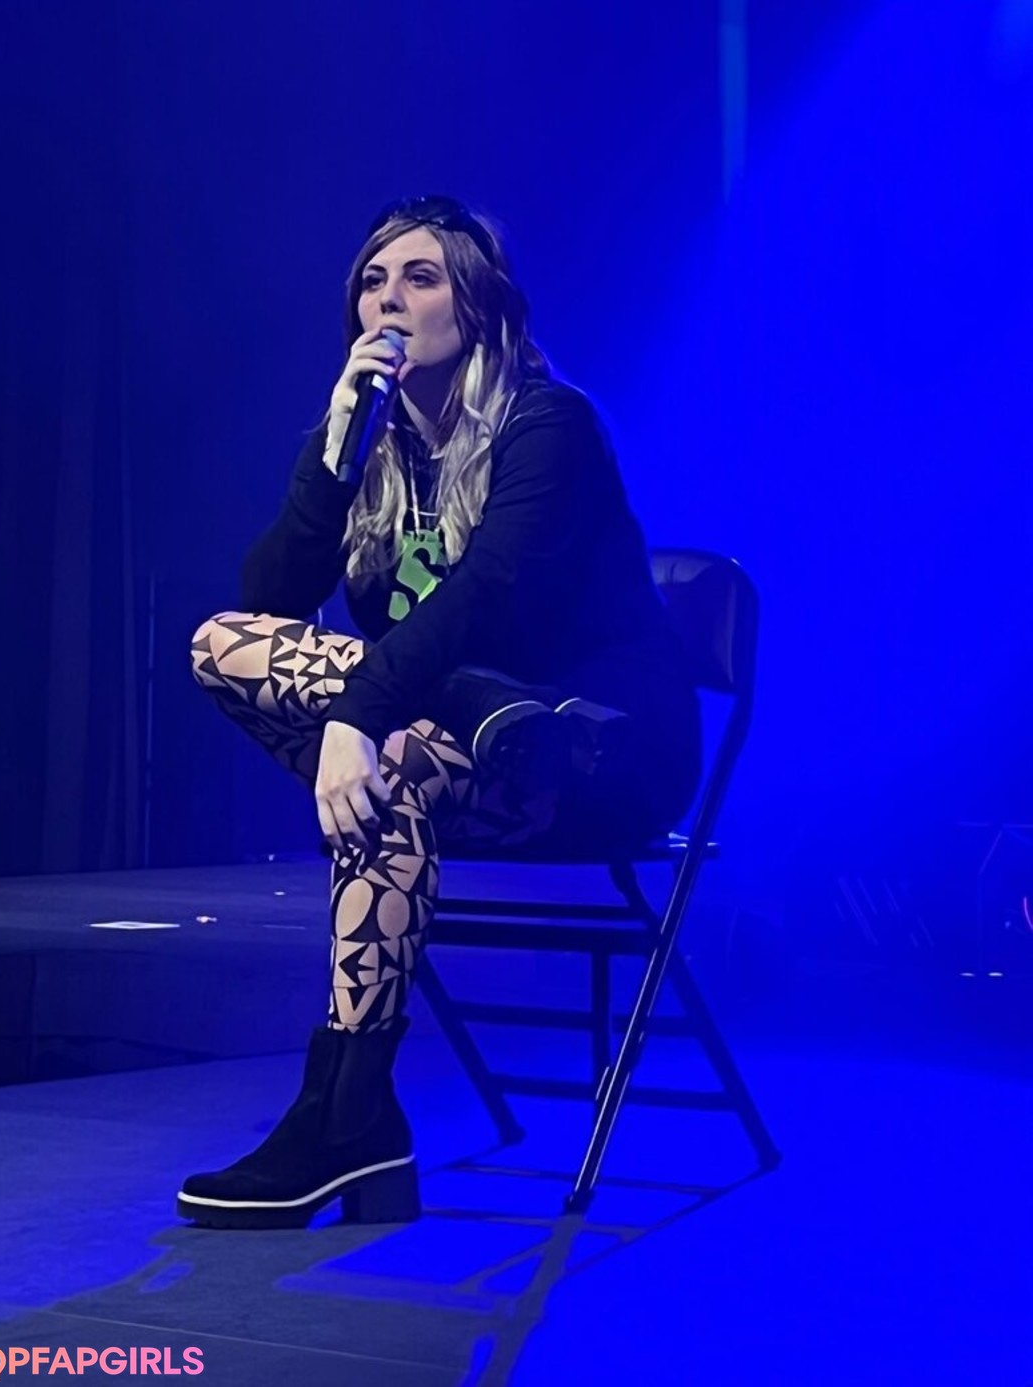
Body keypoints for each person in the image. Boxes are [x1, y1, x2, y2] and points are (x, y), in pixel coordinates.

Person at [176, 195, 701, 1229]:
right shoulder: (374, 445)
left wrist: (356, 715)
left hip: (593, 748)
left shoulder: (550, 426)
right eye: (372, 282)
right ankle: (353, 1116)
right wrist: (336, 450)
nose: (389, 300)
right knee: (220, 642)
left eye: (420, 278)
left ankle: (347, 1120)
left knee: (396, 757)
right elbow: (272, 601)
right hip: (456, 736)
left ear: (481, 302)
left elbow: (488, 597)